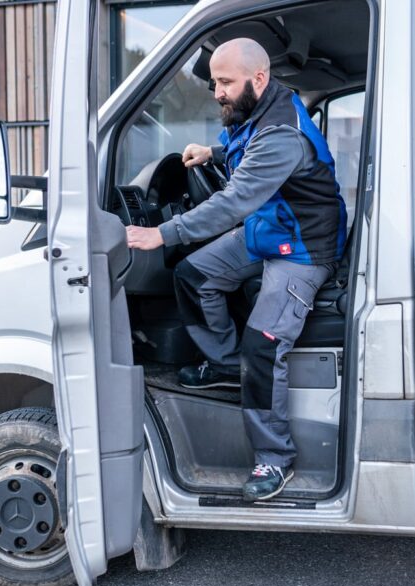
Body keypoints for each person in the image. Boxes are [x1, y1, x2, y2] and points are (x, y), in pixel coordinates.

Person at [125, 38, 346, 501]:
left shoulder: (282, 133)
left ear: (258, 78)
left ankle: (275, 459)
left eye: (226, 82)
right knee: (193, 276)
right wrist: (214, 153)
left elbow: (235, 200)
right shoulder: (257, 112)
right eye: (215, 83)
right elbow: (244, 156)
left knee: (263, 344)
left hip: (302, 248)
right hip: (269, 229)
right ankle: (226, 366)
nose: (218, 92)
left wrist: (163, 233)